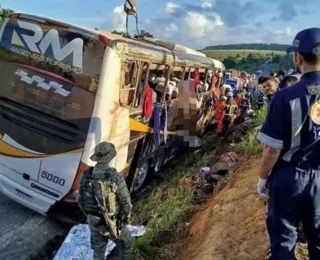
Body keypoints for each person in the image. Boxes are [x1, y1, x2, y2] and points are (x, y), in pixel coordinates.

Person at [257, 27, 320, 260]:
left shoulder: (284, 96)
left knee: (283, 244)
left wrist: (263, 179)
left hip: (288, 177)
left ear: (299, 57)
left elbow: (271, 149)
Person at [78, 142, 133, 260]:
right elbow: (126, 203)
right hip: (112, 221)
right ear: (110, 157)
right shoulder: (114, 176)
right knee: (126, 244)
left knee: (98, 252)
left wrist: (89, 215)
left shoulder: (86, 175)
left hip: (93, 220)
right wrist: (125, 219)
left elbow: (80, 200)